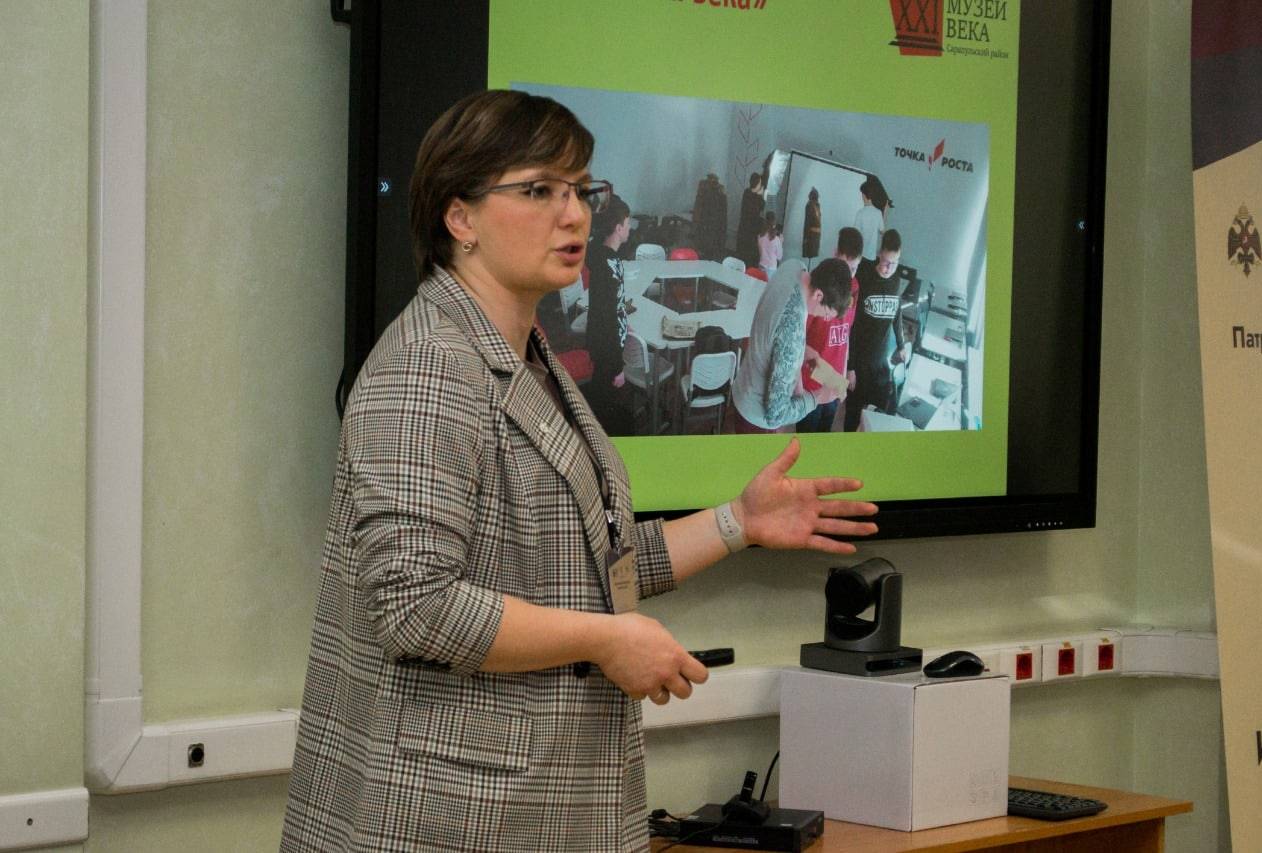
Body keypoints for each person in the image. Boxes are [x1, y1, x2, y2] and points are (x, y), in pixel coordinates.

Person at [280, 90, 879, 853]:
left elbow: (594, 564)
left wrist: (739, 522)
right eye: (540, 191)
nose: (575, 215)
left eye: (579, 190)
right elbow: (417, 605)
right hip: (451, 818)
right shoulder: (430, 364)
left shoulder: (528, 359)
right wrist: (605, 639)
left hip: (533, 807)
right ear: (459, 217)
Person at [730, 258, 844, 433]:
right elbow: (776, 415)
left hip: (744, 387)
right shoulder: (792, 332)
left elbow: (777, 333)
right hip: (756, 419)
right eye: (827, 313)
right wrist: (817, 397)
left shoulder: (794, 267)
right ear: (818, 295)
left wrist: (800, 352)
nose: (826, 319)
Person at [843, 228, 909, 431]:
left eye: (894, 263)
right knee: (852, 415)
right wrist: (850, 367)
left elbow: (896, 313)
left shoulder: (896, 280)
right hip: (859, 362)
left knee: (877, 416)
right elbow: (852, 325)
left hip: (880, 362)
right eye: (886, 262)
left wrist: (901, 344)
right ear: (879, 253)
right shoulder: (863, 274)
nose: (889, 268)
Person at [796, 235, 861, 434]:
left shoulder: (855, 288)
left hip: (834, 383)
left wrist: (841, 379)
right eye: (844, 266)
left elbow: (846, 335)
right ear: (835, 254)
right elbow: (799, 344)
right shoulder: (818, 292)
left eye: (853, 269)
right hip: (811, 384)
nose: (847, 277)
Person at [583, 194, 632, 434]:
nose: (630, 228)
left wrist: (624, 320)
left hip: (604, 344)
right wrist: (618, 367)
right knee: (603, 403)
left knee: (601, 396)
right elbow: (607, 319)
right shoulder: (608, 265)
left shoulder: (602, 254)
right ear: (618, 228)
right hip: (607, 350)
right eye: (628, 223)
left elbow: (613, 308)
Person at [734, 172, 765, 267]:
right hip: (750, 231)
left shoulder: (746, 192)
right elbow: (760, 208)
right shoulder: (754, 196)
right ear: (757, 184)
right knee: (747, 257)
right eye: (760, 183)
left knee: (743, 255)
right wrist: (760, 195)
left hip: (744, 229)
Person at [851, 177, 885, 262]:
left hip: (860, 255)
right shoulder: (878, 213)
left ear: (864, 195)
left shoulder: (860, 213)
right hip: (871, 256)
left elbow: (855, 234)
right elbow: (882, 231)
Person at [757, 210, 783, 278]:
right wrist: (781, 243)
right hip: (771, 269)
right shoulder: (777, 239)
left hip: (761, 266)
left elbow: (760, 254)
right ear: (774, 223)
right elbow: (779, 257)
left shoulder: (760, 236)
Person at [802, 187, 822, 259]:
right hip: (811, 234)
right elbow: (807, 221)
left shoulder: (816, 205)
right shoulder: (810, 205)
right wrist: (806, 236)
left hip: (815, 234)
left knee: (812, 251)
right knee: (810, 251)